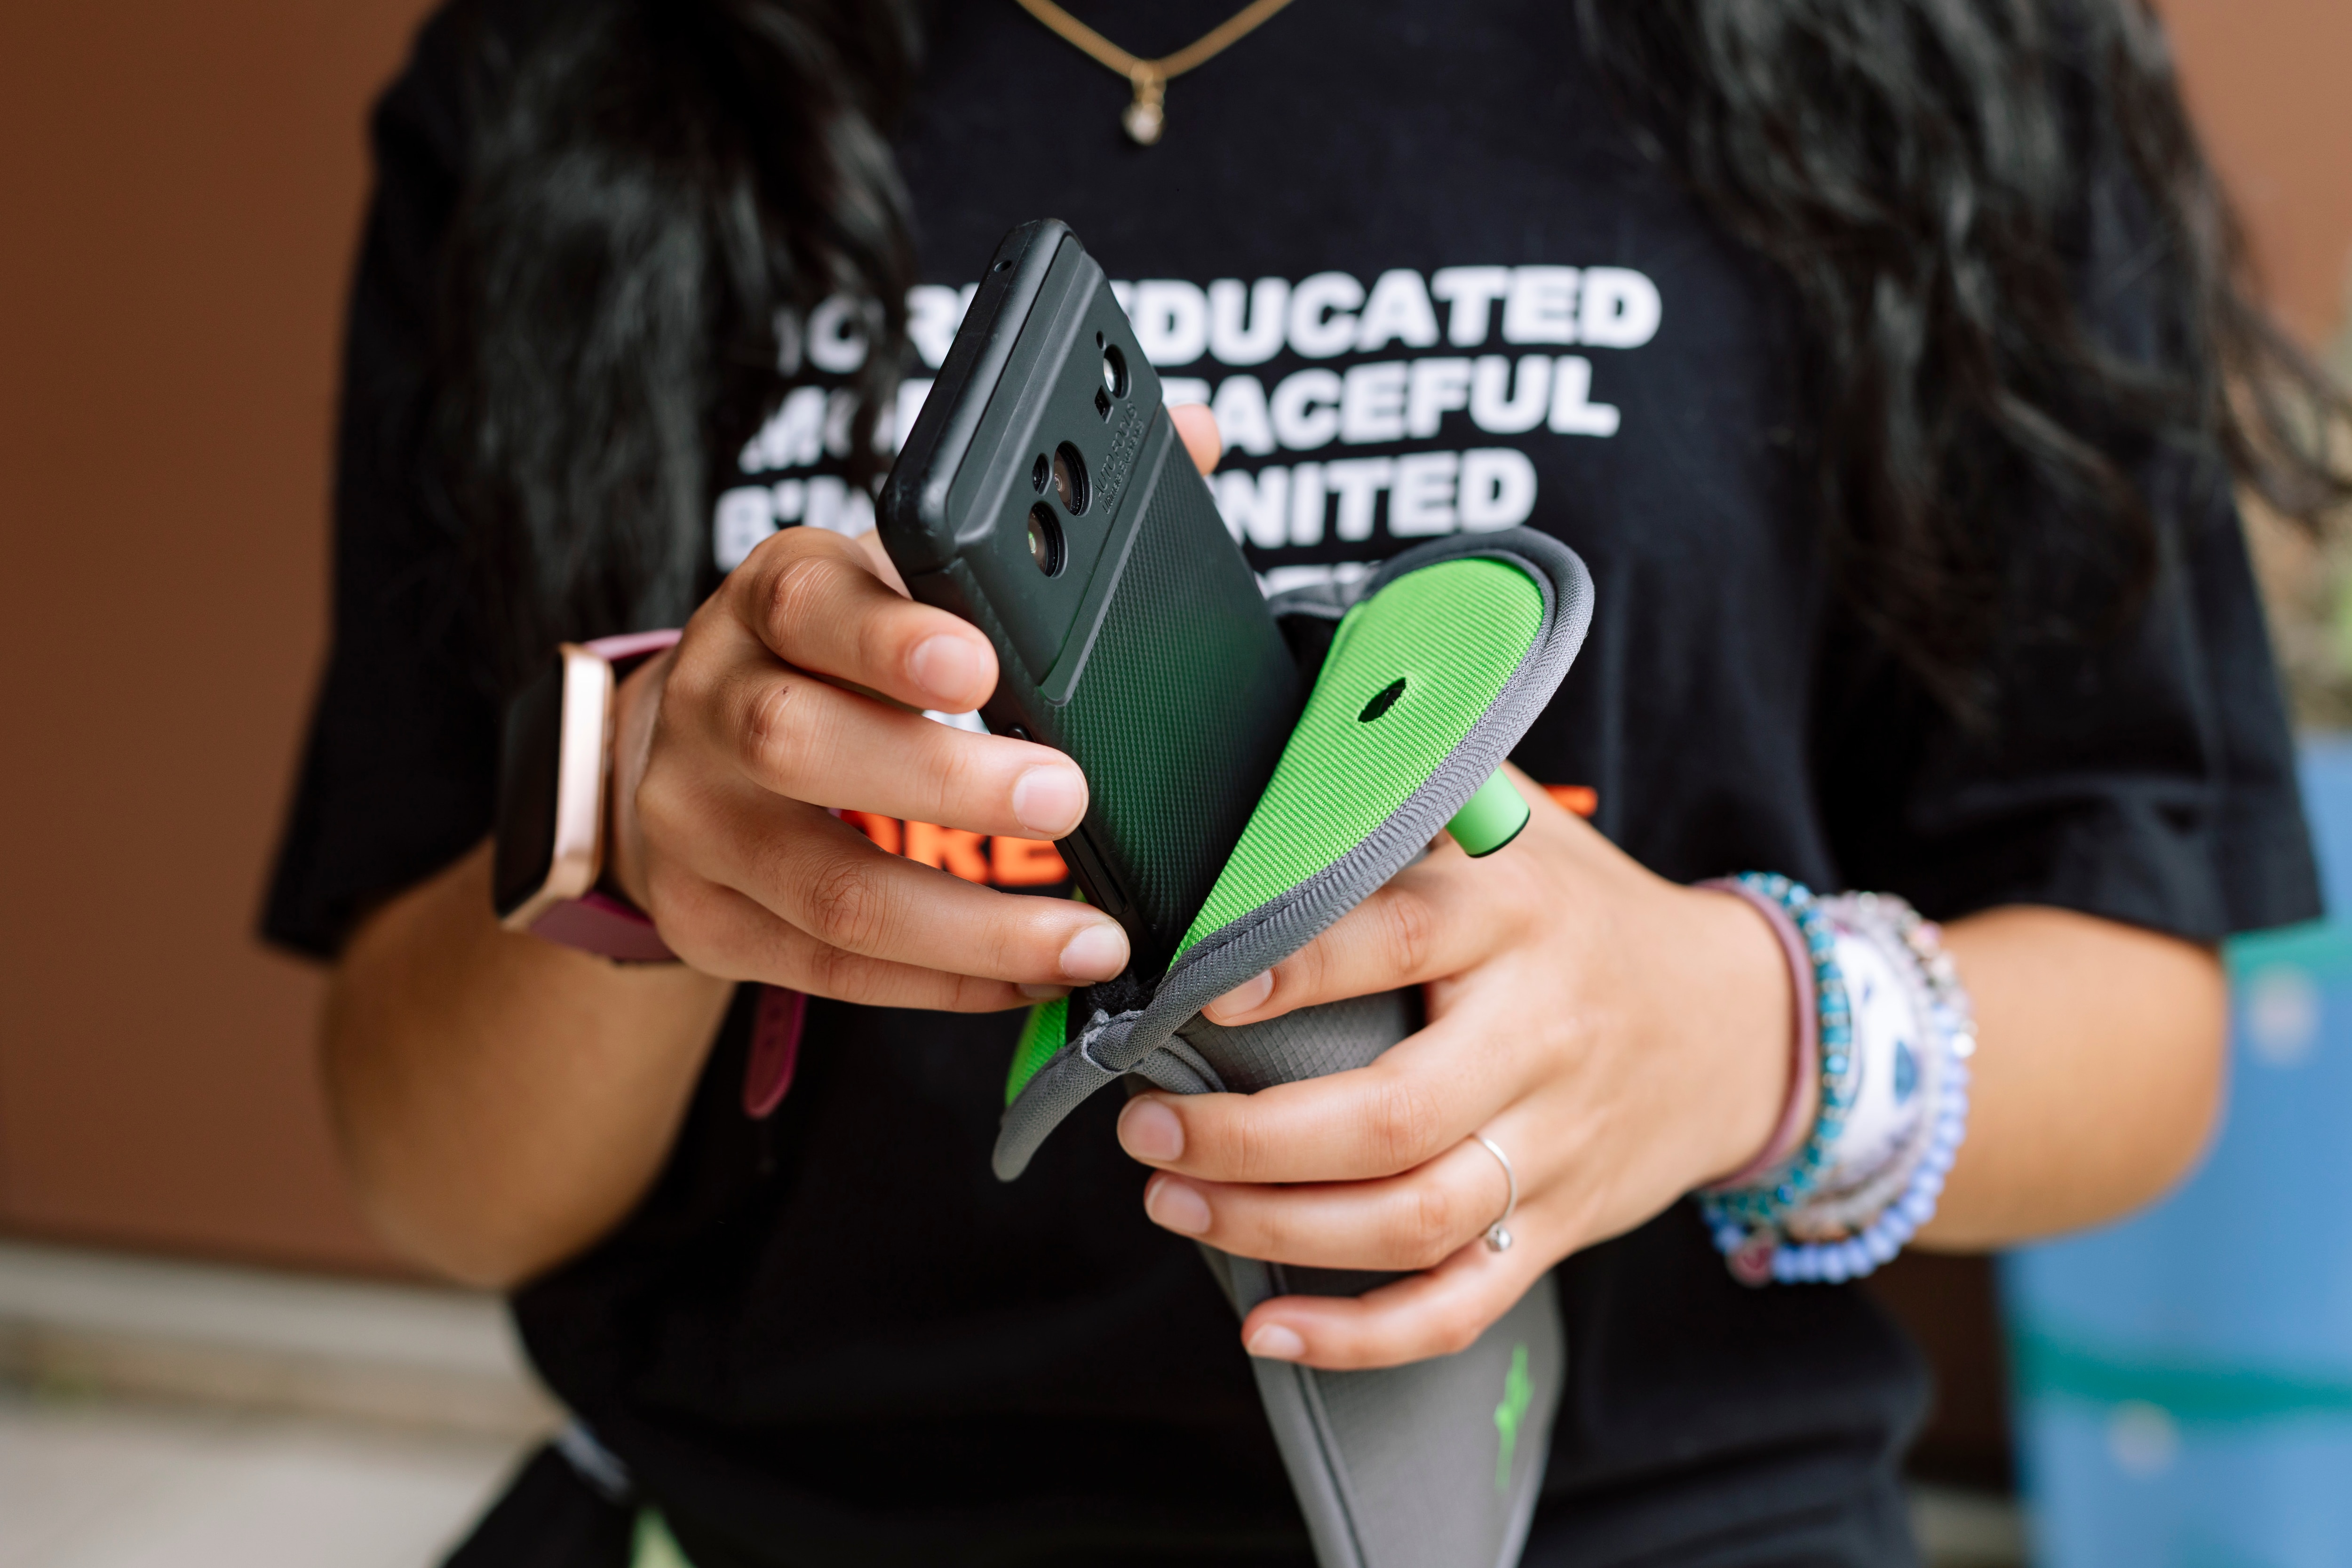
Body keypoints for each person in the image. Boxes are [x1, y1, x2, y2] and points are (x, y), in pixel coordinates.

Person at [265, 0, 2346, 1562]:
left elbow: (2146, 1018)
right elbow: (432, 1172)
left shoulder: (1907, 45)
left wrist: (1734, 1031)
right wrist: (641, 833)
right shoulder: (587, 66)